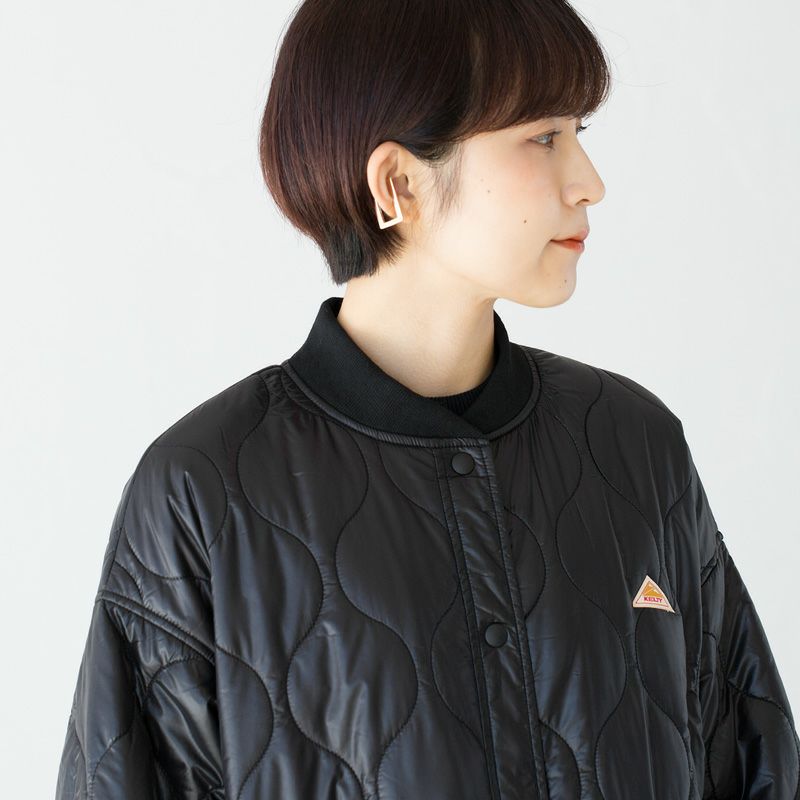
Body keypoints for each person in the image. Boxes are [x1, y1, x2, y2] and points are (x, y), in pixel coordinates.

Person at [55, 1, 799, 798]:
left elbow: (753, 767)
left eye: (578, 131)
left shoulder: (634, 445)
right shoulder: (203, 493)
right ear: (399, 182)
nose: (590, 182)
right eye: (543, 137)